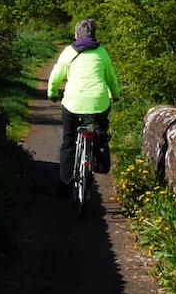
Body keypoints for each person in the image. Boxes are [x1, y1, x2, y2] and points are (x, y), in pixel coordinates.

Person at [46, 18, 120, 196]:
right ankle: (99, 153)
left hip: (72, 103)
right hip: (98, 102)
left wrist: (52, 93)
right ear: (93, 35)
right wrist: (115, 94)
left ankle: (64, 185)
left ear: (76, 34)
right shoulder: (102, 53)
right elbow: (111, 77)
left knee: (68, 142)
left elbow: (56, 75)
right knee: (100, 129)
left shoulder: (69, 52)